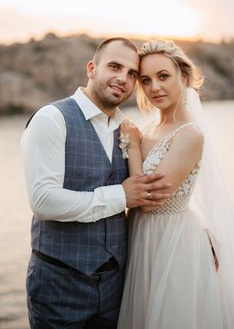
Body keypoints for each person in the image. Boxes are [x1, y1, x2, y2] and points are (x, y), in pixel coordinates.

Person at [21, 37, 171, 329]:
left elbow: (157, 195)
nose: (123, 79)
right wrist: (121, 196)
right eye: (115, 66)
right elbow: (43, 201)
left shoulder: (128, 130)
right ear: (92, 68)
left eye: (131, 74)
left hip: (116, 288)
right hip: (59, 287)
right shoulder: (52, 119)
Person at [117, 40, 234, 329]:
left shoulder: (190, 134)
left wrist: (132, 146)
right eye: (145, 80)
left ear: (183, 76)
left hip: (173, 240)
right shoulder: (147, 129)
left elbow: (150, 197)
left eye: (163, 76)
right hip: (140, 236)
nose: (154, 87)